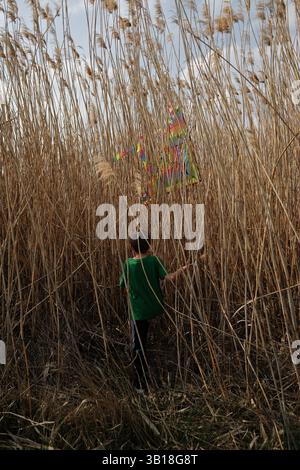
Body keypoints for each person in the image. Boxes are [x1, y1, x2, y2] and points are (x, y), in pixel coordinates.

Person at [119, 234, 188, 392]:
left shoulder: (128, 264)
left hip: (139, 312)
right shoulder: (154, 260)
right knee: (145, 339)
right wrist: (182, 269)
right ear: (149, 246)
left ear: (131, 248)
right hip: (155, 307)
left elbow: (123, 285)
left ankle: (139, 384)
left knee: (138, 346)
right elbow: (169, 278)